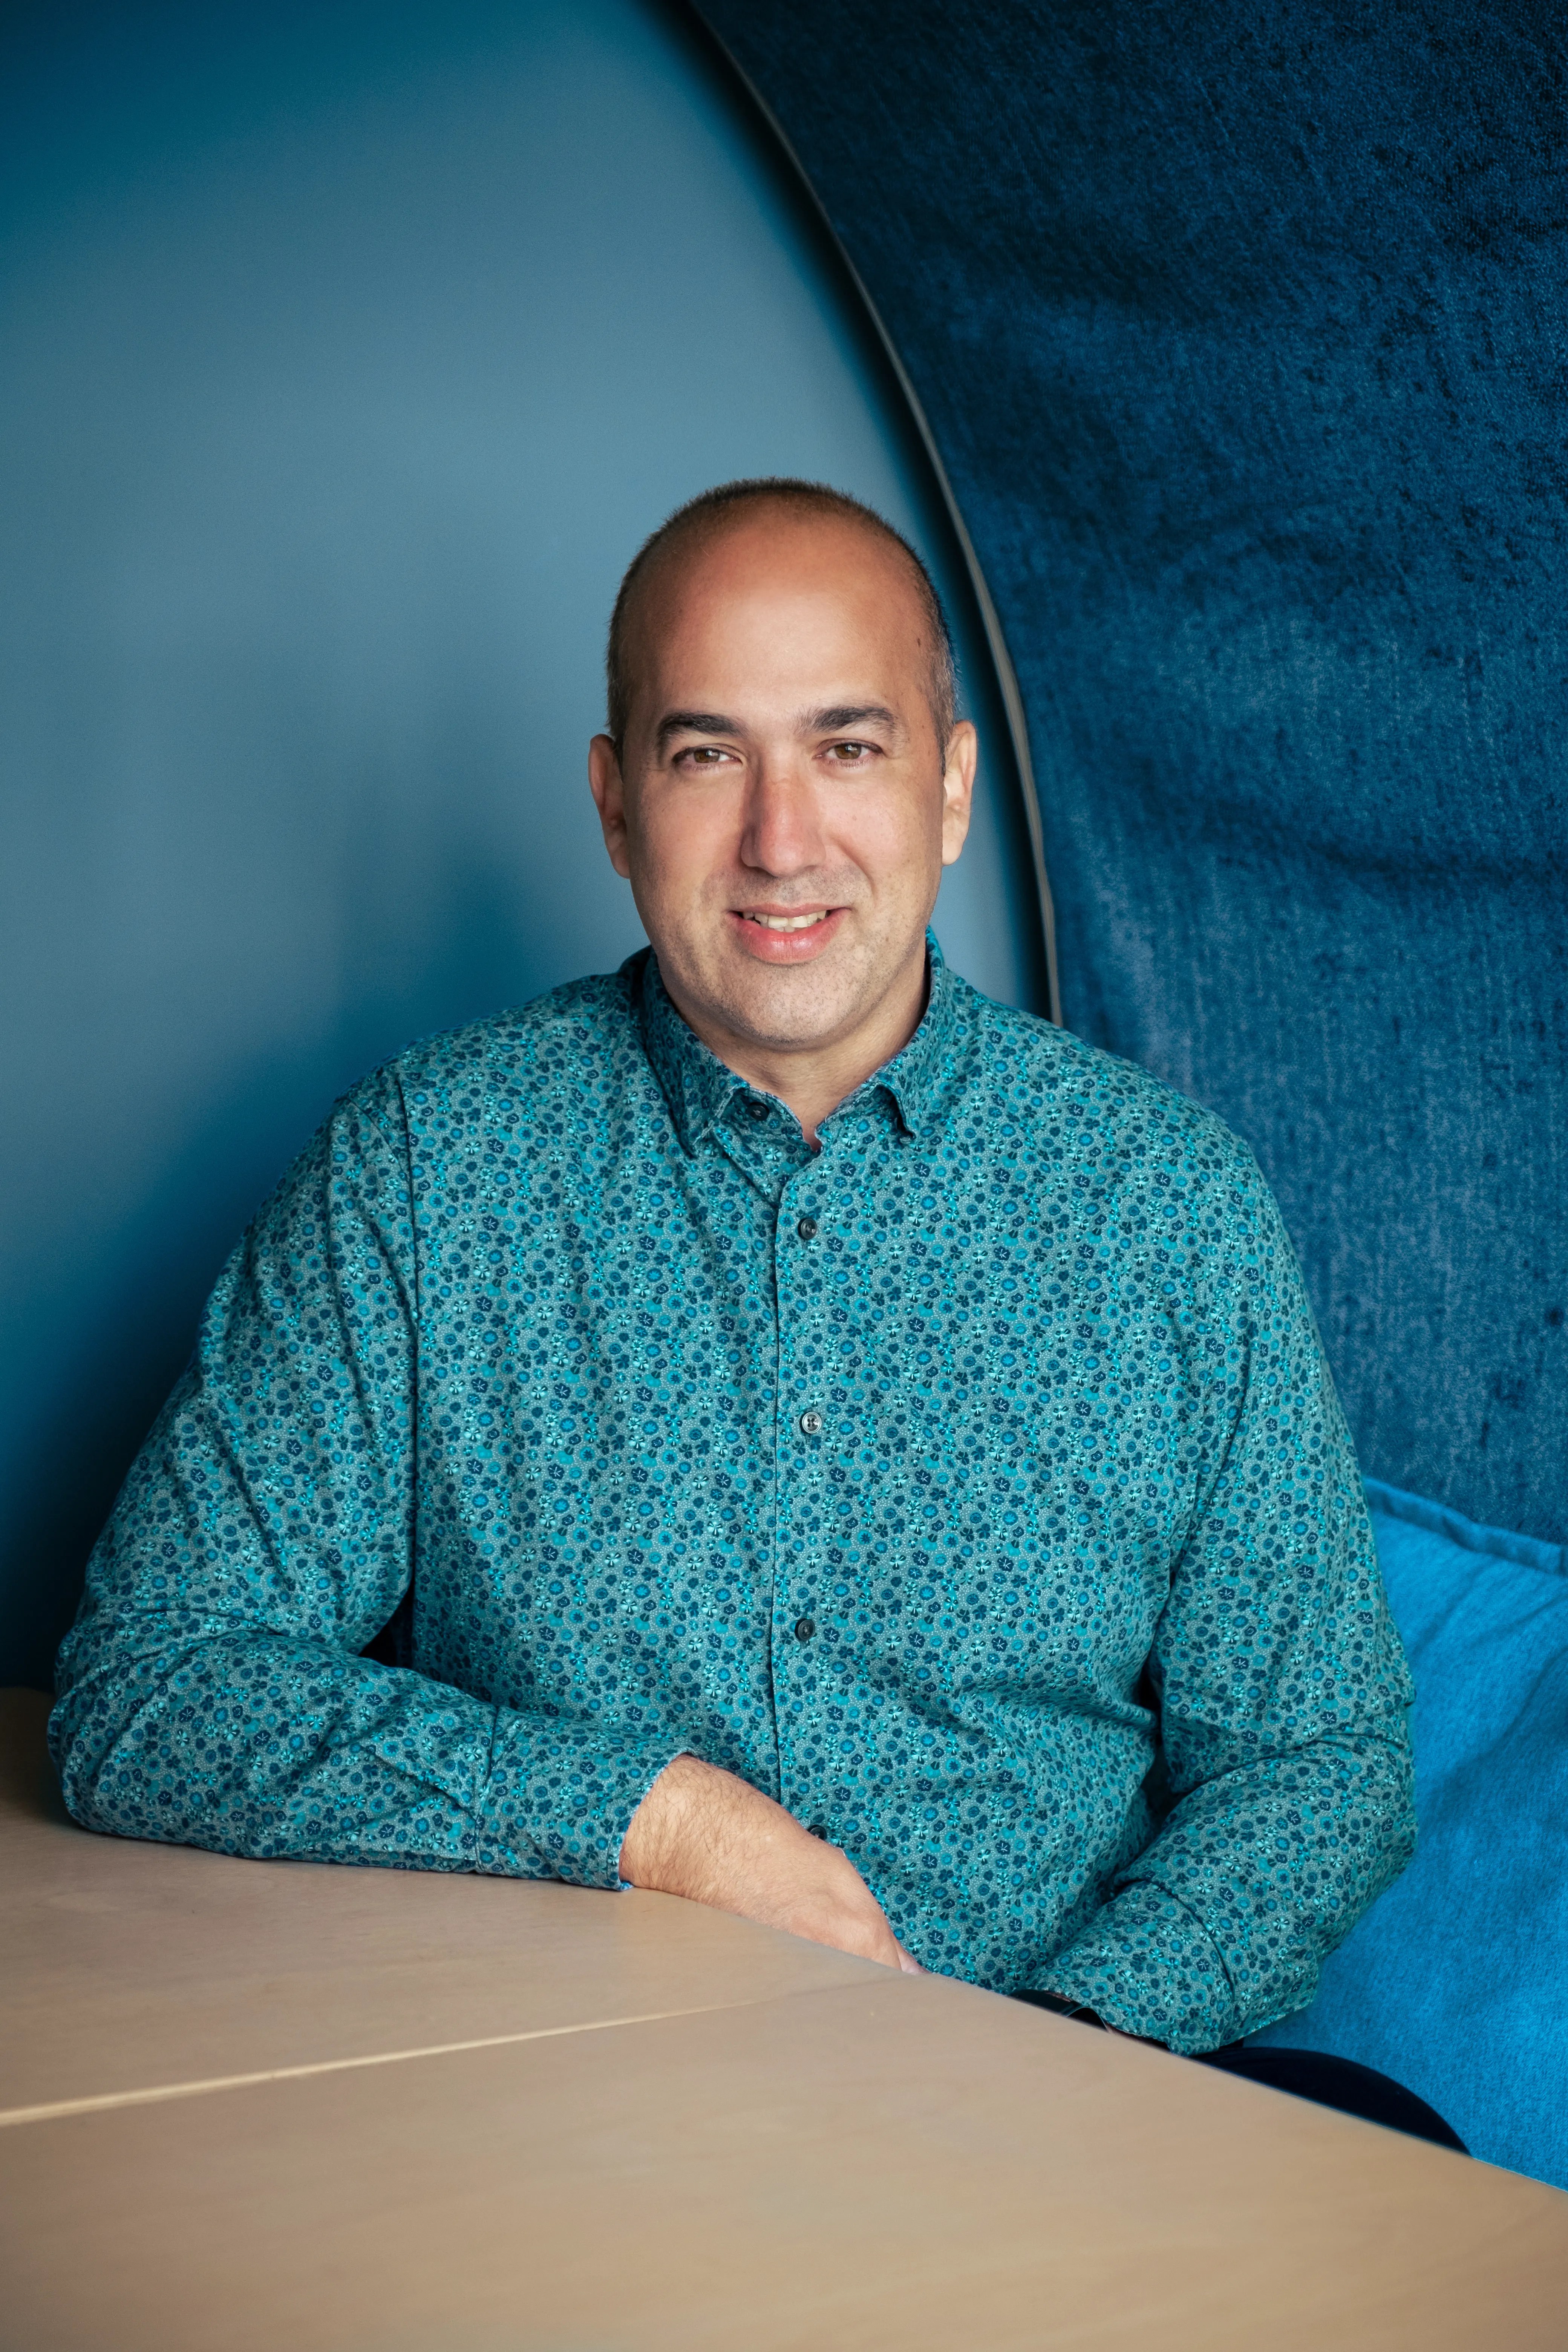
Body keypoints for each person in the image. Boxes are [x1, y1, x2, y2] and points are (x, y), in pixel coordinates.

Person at [51, 478, 1456, 2144]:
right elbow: (149, 1684)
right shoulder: (427, 1170)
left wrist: (1068, 2044)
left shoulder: (1168, 1204)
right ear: (613, 803)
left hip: (1064, 2110)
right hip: (568, 2120)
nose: (781, 842)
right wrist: (657, 1821)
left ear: (949, 789)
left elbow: (1315, 1762)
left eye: (847, 747)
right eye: (707, 754)